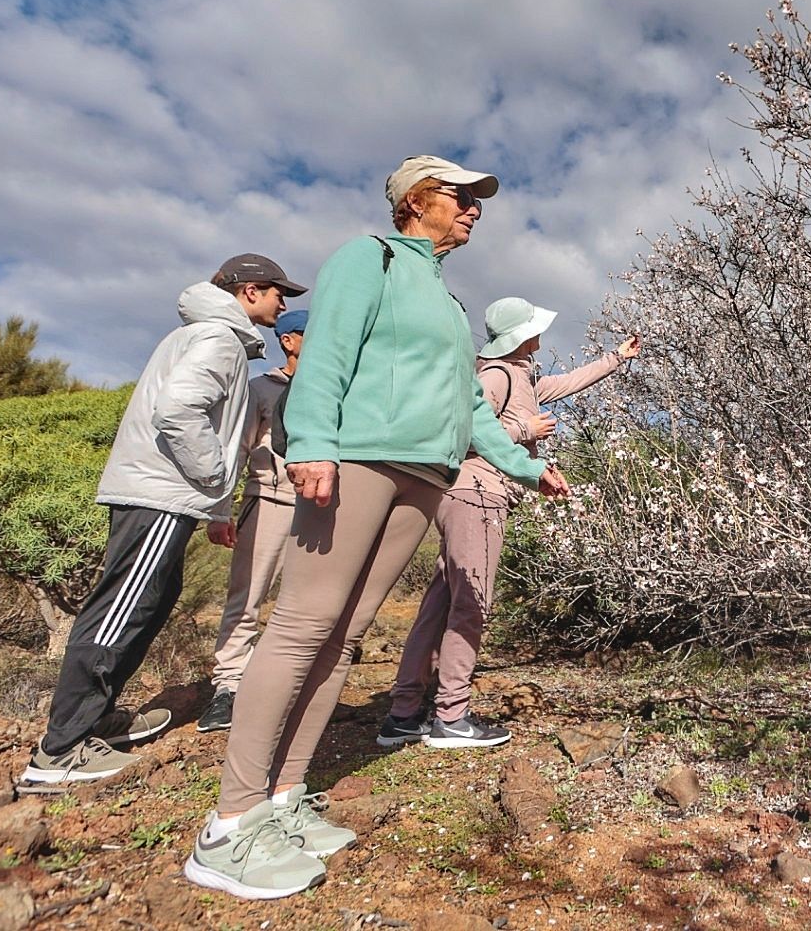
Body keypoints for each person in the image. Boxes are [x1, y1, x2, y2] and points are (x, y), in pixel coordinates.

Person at [185, 155, 570, 901]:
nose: (474, 211)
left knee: (344, 637)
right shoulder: (372, 257)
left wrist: (527, 469)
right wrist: (317, 444)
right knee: (302, 625)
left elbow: (469, 407)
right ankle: (229, 826)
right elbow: (326, 354)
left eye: (476, 201)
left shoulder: (447, 299)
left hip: (425, 476)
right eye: (462, 197)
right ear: (417, 199)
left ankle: (284, 798)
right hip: (358, 459)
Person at [20, 255, 305, 788]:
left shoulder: (208, 337)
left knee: (148, 603)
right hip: (161, 495)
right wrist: (217, 474)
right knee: (119, 612)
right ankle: (59, 752)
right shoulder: (218, 340)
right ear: (248, 292)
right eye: (276, 293)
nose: (282, 305)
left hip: (166, 495)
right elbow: (177, 411)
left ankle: (96, 722)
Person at [382, 299, 638, 749]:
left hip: (467, 496)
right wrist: (525, 432)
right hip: (478, 494)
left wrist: (617, 357)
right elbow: (462, 431)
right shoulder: (496, 376)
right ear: (521, 335)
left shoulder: (522, 374)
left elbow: (570, 381)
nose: (541, 335)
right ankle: (451, 717)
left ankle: (404, 713)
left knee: (442, 603)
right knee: (471, 604)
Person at [198, 308, 308, 733]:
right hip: (268, 500)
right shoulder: (260, 388)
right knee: (247, 598)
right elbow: (236, 449)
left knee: (307, 604)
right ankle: (227, 688)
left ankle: (287, 689)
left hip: (319, 507)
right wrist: (219, 511)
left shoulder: (334, 390)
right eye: (310, 334)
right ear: (289, 340)